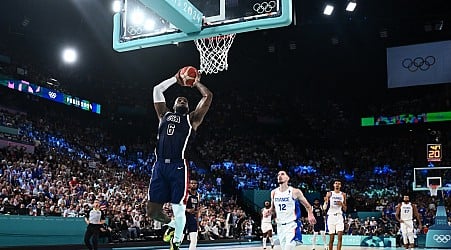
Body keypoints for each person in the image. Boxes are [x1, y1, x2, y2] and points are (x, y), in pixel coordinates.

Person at [147, 68, 213, 250]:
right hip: (159, 165)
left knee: (178, 207)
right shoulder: (163, 115)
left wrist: (195, 82)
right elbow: (157, 90)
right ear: (174, 105)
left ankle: (176, 241)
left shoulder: (192, 120)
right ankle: (174, 226)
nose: (182, 100)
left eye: (185, 100)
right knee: (152, 211)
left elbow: (208, 97)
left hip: (178, 166)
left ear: (188, 107)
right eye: (179, 99)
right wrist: (175, 79)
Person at [271, 170, 316, 250]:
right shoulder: (274, 192)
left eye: (282, 174)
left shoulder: (295, 192)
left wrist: (310, 214)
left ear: (288, 178)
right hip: (280, 225)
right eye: (278, 174)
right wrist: (269, 212)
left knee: (288, 247)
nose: (279, 176)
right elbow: (273, 208)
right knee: (284, 248)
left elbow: (307, 205)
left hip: (292, 225)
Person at [323, 180, 347, 250]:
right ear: (333, 185)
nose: (337, 185)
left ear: (340, 186)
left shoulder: (343, 195)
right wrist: (326, 200)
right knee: (331, 239)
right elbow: (324, 208)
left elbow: (345, 209)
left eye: (339, 184)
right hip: (331, 217)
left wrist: (342, 204)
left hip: (339, 216)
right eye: (336, 183)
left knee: (340, 237)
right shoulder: (330, 193)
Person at [185, 179, 201, 250]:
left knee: (194, 239)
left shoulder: (198, 195)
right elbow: (178, 206)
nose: (194, 184)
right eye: (192, 183)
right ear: (189, 185)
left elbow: (197, 210)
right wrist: (187, 210)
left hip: (192, 218)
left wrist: (197, 224)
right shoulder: (185, 194)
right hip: (184, 217)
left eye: (195, 183)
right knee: (179, 239)